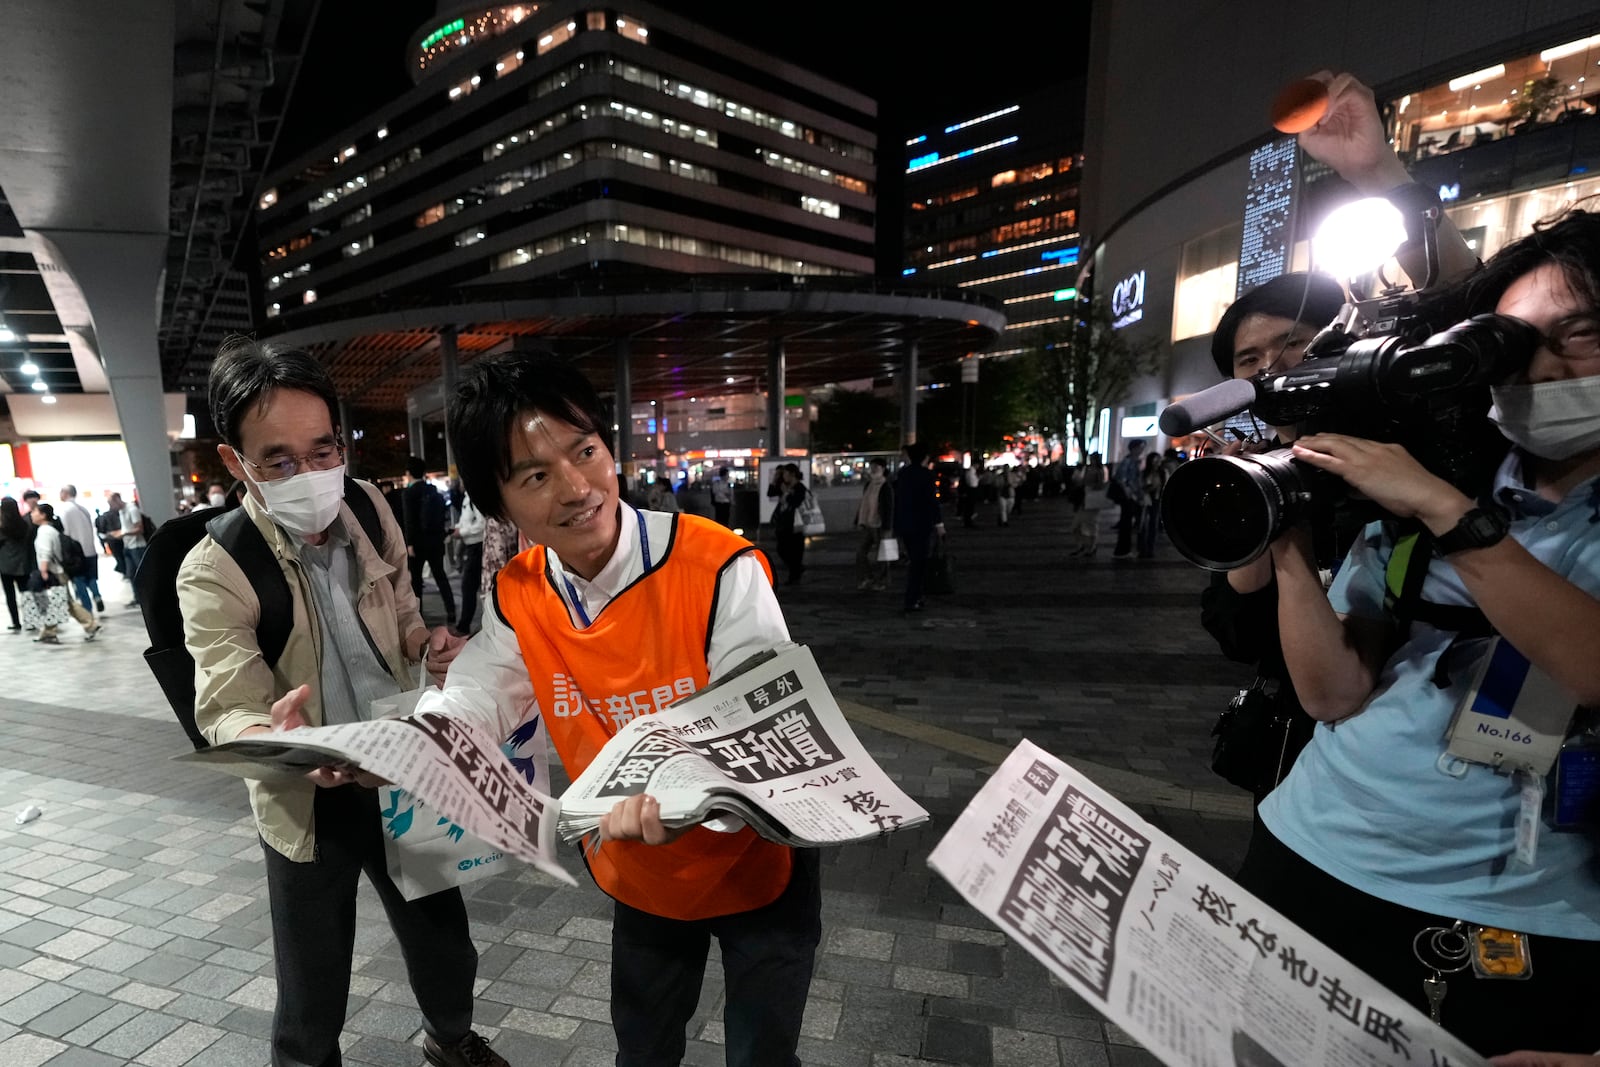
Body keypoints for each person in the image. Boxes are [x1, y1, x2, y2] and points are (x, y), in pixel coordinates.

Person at [1235, 208, 1600, 1056]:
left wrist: (1444, 511)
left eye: (1577, 334)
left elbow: (1588, 666)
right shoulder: (1438, 474)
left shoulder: (1432, 490)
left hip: (1515, 915)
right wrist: (1285, 528)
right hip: (1310, 845)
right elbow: (1333, 692)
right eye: (1517, 343)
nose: (1542, 368)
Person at [410, 350, 819, 1067]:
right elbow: (480, 692)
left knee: (761, 1052)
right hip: (641, 868)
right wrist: (409, 741)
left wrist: (685, 796)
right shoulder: (520, 592)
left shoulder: (719, 564)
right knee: (644, 1047)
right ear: (499, 504)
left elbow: (757, 730)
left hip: (758, 862)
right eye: (536, 475)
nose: (578, 488)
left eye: (586, 451)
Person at [176, 337, 504, 1067]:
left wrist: (431, 649)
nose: (313, 474)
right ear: (237, 463)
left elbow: (405, 618)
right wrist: (279, 736)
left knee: (444, 940)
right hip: (306, 794)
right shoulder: (217, 567)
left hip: (400, 768)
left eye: (324, 450)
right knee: (313, 972)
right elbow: (225, 705)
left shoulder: (367, 507)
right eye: (281, 460)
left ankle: (451, 1038)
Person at [1199, 271, 1351, 802]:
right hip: (1291, 762)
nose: (1272, 368)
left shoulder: (1394, 465)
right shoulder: (1260, 471)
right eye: (1249, 360)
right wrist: (1258, 511)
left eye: (1294, 342)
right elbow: (1238, 634)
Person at [25, 503, 99, 644]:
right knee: (57, 602)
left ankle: (91, 625)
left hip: (54, 572)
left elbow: (45, 553)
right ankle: (49, 631)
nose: (32, 514)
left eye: (35, 511)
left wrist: (44, 571)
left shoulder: (44, 531)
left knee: (62, 602)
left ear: (43, 515)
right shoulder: (50, 529)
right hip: (58, 571)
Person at [403, 456, 458, 629]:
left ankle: (418, 616)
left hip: (418, 544)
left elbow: (409, 520)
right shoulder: (433, 490)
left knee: (416, 582)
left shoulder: (409, 493)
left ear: (409, 473)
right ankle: (451, 612)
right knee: (440, 576)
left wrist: (410, 543)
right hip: (435, 542)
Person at [893, 441, 944, 613]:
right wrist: (939, 524)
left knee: (915, 561)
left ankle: (916, 595)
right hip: (922, 523)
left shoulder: (903, 474)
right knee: (919, 563)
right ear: (925, 457)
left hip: (905, 524)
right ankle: (912, 598)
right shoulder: (927, 475)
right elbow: (932, 501)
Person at [57, 485, 104, 614]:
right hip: (90, 549)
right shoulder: (83, 509)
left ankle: (87, 609)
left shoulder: (64, 509)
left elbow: (65, 532)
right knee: (91, 576)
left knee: (79, 579)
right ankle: (97, 595)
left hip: (76, 552)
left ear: (65, 493)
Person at [854, 457, 894, 591]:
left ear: (883, 469)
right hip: (868, 523)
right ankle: (868, 577)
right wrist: (859, 520)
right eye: (872, 467)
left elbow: (888, 507)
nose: (873, 470)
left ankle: (882, 581)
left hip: (880, 525)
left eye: (876, 467)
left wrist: (887, 526)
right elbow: (863, 504)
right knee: (861, 553)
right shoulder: (869, 485)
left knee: (883, 555)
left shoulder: (885, 486)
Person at [767, 462, 808, 585]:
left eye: (785, 474)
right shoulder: (783, 486)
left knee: (795, 551)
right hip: (783, 523)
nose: (783, 476)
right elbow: (770, 492)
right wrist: (775, 479)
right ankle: (796, 570)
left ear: (792, 474)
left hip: (796, 525)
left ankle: (794, 576)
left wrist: (786, 494)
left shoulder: (800, 488)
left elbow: (795, 503)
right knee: (782, 549)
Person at [107, 491, 149, 604]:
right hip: (128, 546)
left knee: (142, 574)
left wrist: (123, 534)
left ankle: (148, 597)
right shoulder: (121, 511)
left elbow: (139, 529)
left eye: (111, 503)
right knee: (131, 574)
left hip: (137, 546)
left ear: (117, 499)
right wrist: (117, 533)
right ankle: (138, 598)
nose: (111, 507)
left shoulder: (132, 509)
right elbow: (127, 528)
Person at [453, 491, 486, 636]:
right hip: (471, 546)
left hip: (477, 546)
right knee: (473, 587)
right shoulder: (468, 497)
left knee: (469, 587)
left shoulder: (475, 497)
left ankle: (464, 626)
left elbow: (481, 524)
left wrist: (463, 532)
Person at [1, 497, 34, 632]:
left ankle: (16, 622)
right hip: (22, 564)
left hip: (5, 565)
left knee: (10, 596)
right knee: (25, 593)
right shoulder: (24, 524)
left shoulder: (2, 527)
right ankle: (31, 620)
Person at [1111, 439, 1147, 558]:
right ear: (1134, 448)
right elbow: (1121, 479)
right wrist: (1130, 493)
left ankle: (1124, 549)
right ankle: (1123, 550)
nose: (1141, 450)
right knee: (1126, 522)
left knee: (1127, 522)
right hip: (1129, 497)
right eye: (1140, 447)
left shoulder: (1134, 461)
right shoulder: (1128, 461)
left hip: (1132, 496)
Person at [1068, 453, 1109, 558]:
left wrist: (1090, 486)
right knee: (1076, 526)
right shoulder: (1086, 469)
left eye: (1093, 459)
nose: (1091, 461)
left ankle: (1091, 547)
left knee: (1090, 525)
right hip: (1084, 499)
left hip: (1092, 500)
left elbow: (1101, 484)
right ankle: (1083, 546)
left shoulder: (1100, 470)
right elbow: (1081, 482)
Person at [1136, 450, 1166, 558]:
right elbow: (1141, 486)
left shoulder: (1162, 473)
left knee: (1153, 525)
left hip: (1156, 500)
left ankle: (1150, 548)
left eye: (1158, 460)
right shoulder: (1145, 473)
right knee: (1142, 524)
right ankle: (1142, 548)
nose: (1157, 463)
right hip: (1145, 500)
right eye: (1155, 460)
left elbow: (1164, 486)